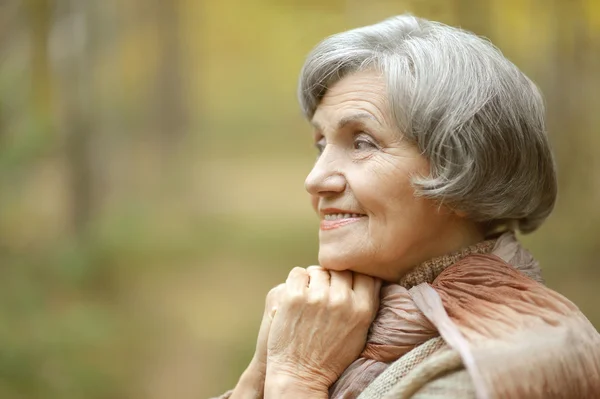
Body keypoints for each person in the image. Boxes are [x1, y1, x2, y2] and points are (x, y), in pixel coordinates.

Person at [212, 14, 600, 398]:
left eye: (362, 142)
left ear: (464, 167)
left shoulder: (505, 368)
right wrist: (259, 373)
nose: (314, 180)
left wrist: (297, 378)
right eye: (320, 145)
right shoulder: (341, 325)